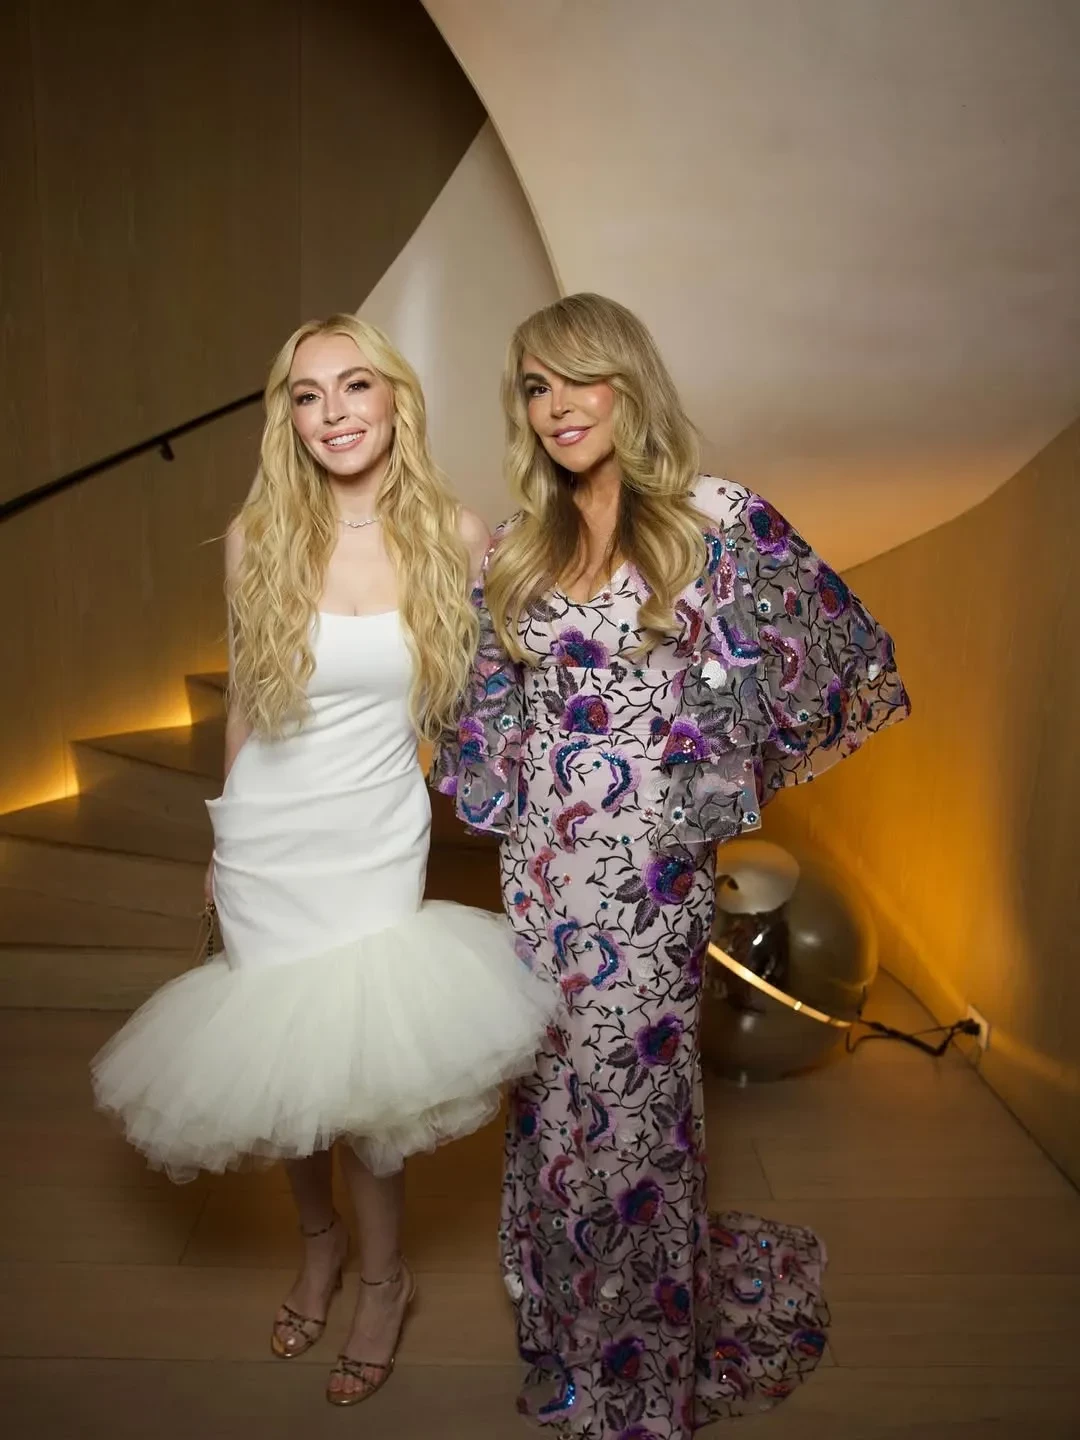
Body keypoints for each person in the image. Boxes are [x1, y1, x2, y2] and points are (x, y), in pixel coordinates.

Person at [433, 293, 910, 1438]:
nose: (557, 406)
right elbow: (486, 725)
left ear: (627, 380)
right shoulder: (517, 547)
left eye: (577, 377)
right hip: (540, 881)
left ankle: (638, 1386)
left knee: (635, 1120)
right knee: (552, 1111)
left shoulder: (715, 520)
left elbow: (832, 654)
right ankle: (564, 1339)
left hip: (650, 886)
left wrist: (712, 784)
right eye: (535, 387)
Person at [92, 314, 556, 1407]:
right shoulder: (259, 534)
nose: (334, 412)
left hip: (374, 835)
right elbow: (249, 699)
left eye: (355, 386)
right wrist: (224, 832)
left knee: (364, 1079)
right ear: (288, 419)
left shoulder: (455, 533)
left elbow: (505, 690)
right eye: (308, 395)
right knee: (282, 1056)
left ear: (396, 399)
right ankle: (320, 1247)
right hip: (271, 836)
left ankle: (384, 1282)